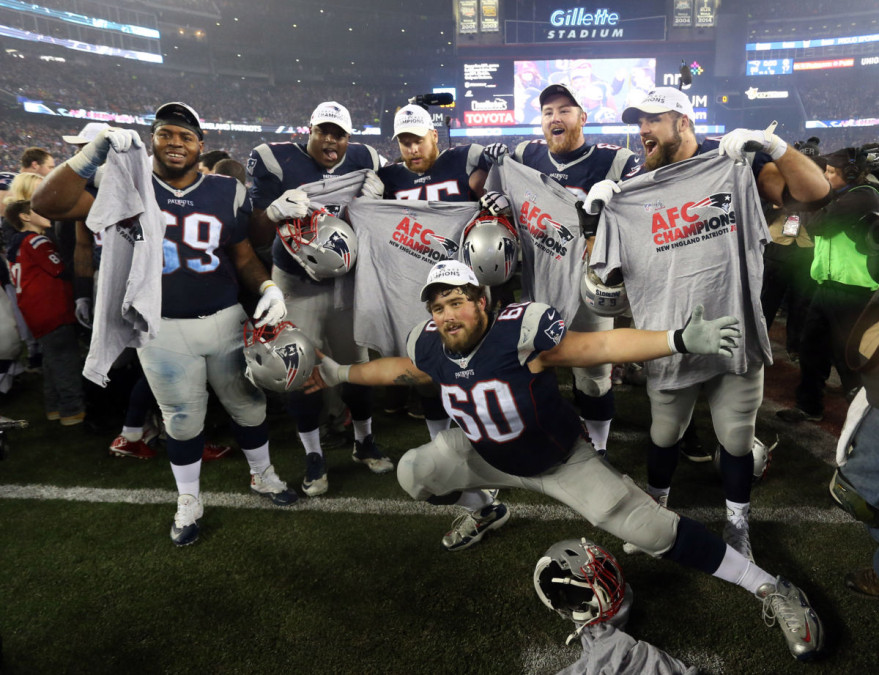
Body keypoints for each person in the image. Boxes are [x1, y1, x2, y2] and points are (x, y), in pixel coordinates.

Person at [308, 259, 823, 662]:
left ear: (482, 301)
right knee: (413, 471)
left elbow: (597, 344)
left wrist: (677, 340)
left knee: (652, 532)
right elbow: (402, 369)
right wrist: (337, 373)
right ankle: (485, 506)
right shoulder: (431, 344)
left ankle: (771, 586)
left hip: (559, 461)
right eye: (438, 307)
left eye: (456, 303)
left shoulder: (520, 332)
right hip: (482, 454)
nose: (446, 316)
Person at [585, 86, 833, 562]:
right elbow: (602, 288)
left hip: (734, 332)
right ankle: (654, 512)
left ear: (683, 120)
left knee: (737, 437)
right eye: (638, 121)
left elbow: (816, 193)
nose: (642, 130)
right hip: (670, 339)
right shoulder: (630, 190)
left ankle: (738, 525)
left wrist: (772, 147)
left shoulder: (736, 164)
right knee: (663, 435)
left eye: (652, 119)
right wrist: (595, 218)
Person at [32, 102, 295, 546]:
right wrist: (89, 155)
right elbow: (46, 203)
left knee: (248, 406)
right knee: (182, 420)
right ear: (152, 138)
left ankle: (263, 473)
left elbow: (244, 254)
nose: (176, 143)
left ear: (201, 145)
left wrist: (269, 288)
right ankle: (188, 499)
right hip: (160, 327)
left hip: (225, 319)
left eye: (186, 136)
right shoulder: (126, 184)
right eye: (166, 134)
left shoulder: (226, 190)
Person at [479, 83, 639, 458]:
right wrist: (496, 184)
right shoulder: (523, 156)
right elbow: (496, 197)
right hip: (541, 279)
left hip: (590, 286)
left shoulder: (614, 160)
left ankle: (598, 447)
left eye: (565, 110)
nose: (556, 117)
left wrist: (617, 191)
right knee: (534, 362)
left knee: (594, 375)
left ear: (583, 117)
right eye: (548, 111)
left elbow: (644, 187)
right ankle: (545, 430)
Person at [246, 101, 390, 497]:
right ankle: (314, 455)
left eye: (339, 134)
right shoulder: (275, 161)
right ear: (308, 129)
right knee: (298, 370)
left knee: (356, 368)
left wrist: (376, 198)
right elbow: (256, 234)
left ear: (349, 137)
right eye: (323, 131)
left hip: (347, 285)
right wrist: (273, 213)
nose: (331, 140)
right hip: (295, 284)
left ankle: (364, 442)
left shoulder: (365, 159)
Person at [377, 102, 489, 433]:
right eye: (405, 142)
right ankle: (439, 439)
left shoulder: (462, 159)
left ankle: (480, 434)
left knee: (474, 358)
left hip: (466, 280)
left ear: (434, 135)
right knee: (427, 361)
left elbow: (496, 173)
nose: (412, 149)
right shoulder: (389, 178)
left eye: (419, 140)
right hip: (417, 284)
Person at [777, 147, 879, 423]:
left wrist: (805, 201)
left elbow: (818, 225)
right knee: (812, 349)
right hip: (829, 285)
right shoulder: (842, 195)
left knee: (850, 361)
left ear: (852, 173)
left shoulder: (862, 196)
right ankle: (809, 406)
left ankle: (865, 425)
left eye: (832, 172)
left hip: (853, 290)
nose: (826, 175)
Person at [3, 173, 85, 425]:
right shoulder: (37, 240)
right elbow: (60, 269)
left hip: (33, 311)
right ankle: (72, 410)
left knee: (51, 359)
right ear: (26, 216)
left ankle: (54, 407)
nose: (46, 213)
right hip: (52, 309)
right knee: (65, 359)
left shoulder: (15, 243)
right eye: (37, 210)